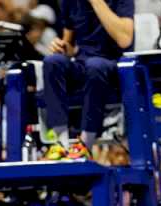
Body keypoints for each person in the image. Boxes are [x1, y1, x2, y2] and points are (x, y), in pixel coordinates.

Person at [42, 0, 134, 160]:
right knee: (52, 62)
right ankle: (60, 142)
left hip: (113, 65)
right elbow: (69, 44)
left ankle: (85, 143)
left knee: (95, 65)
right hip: (81, 63)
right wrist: (62, 47)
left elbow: (125, 39)